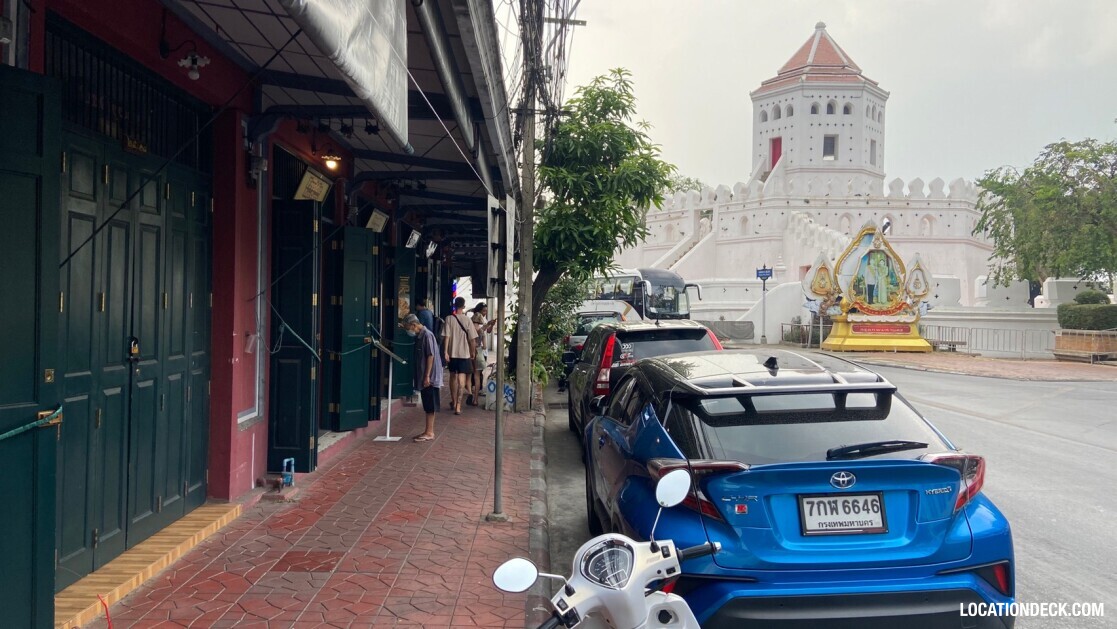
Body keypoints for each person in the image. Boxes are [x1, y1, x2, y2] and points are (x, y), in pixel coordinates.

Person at [402, 313, 442, 442]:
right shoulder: (420, 336)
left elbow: (430, 356)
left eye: (408, 327)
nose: (408, 330)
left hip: (430, 377)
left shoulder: (427, 335)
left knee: (430, 404)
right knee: (427, 403)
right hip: (426, 376)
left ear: (414, 325)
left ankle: (430, 432)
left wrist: (426, 376)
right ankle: (427, 430)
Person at [441, 296, 477, 414]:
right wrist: (472, 352)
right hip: (464, 354)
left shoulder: (449, 319)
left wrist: (445, 351)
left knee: (453, 377)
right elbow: (472, 340)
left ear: (454, 305)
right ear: (464, 306)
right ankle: (458, 406)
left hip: (452, 353)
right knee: (462, 380)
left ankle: (453, 400)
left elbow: (446, 336)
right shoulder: (467, 320)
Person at [469, 302, 496, 405]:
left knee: (469, 374)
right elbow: (484, 341)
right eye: (483, 311)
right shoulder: (480, 326)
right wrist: (487, 325)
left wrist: (490, 325)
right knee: (477, 375)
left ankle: (471, 394)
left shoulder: (470, 325)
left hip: (469, 352)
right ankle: (475, 397)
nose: (485, 313)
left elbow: (486, 331)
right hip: (479, 351)